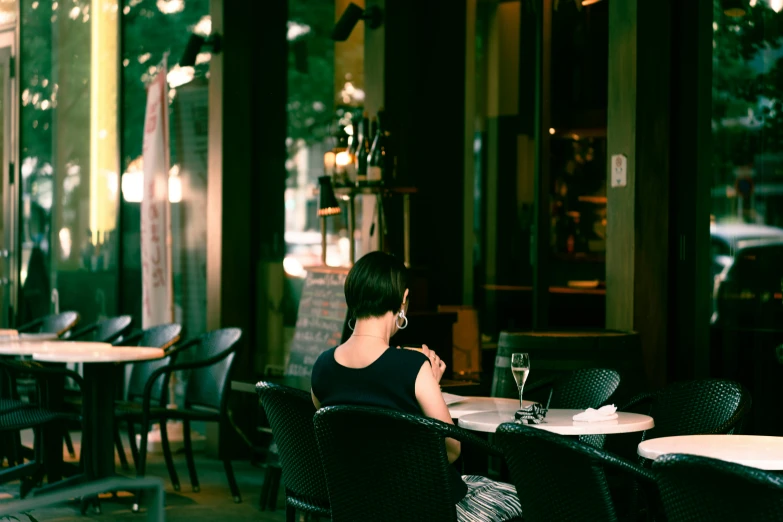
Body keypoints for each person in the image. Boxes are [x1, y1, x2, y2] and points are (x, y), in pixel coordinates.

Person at [311, 251, 523, 522]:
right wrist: (428, 384)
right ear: (403, 299)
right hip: (429, 507)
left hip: (360, 505)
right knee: (524, 496)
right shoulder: (413, 366)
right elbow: (451, 450)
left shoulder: (322, 366)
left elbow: (336, 437)